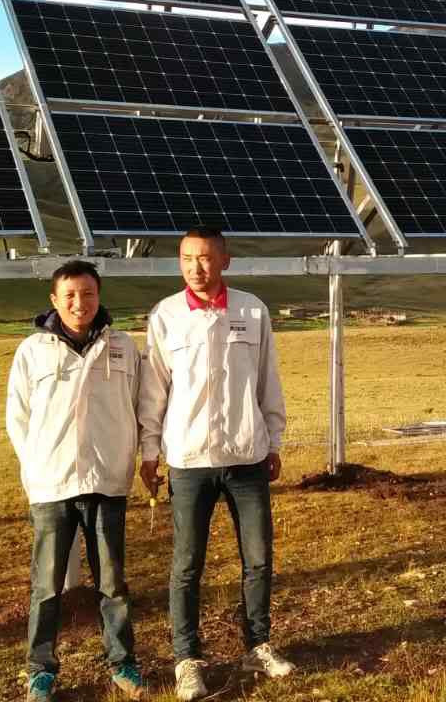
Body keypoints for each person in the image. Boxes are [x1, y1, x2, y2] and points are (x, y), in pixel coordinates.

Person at [139, 228, 295, 701]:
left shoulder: (252, 310)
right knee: (187, 565)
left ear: (225, 260)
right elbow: (153, 391)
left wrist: (273, 440)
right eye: (187, 258)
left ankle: (258, 646)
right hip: (189, 460)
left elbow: (267, 380)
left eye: (205, 258)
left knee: (258, 559)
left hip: (247, 457)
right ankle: (187, 660)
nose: (196, 267)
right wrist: (150, 452)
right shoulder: (165, 315)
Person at [6, 259, 145, 701]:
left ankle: (122, 663)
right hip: (52, 484)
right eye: (69, 295)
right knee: (46, 586)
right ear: (54, 300)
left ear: (99, 296)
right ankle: (40, 670)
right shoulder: (32, 351)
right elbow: (17, 416)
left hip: (107, 481)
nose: (79, 303)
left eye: (87, 294)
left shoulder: (123, 347)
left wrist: (127, 457)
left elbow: (138, 406)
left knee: (113, 583)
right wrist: (35, 467)